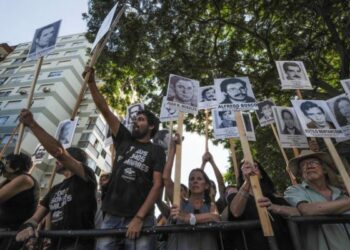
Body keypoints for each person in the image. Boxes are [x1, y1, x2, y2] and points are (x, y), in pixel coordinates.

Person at [83, 67, 166, 250]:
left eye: (141, 119)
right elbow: (104, 109)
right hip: (111, 216)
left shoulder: (157, 151)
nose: (135, 121)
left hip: (141, 218)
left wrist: (139, 218)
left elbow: (157, 185)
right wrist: (91, 83)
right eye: (135, 119)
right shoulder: (124, 139)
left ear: (151, 126)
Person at [16, 109, 97, 250]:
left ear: (74, 161)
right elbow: (36, 217)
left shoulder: (86, 178)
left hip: (78, 245)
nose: (56, 160)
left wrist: (32, 124)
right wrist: (28, 226)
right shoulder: (54, 190)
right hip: (55, 245)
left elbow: (59, 152)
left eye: (63, 159)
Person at [163, 134, 220, 250]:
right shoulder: (180, 204)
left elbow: (216, 218)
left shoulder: (211, 205)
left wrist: (189, 218)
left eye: (199, 179)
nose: (195, 182)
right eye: (191, 179)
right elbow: (166, 178)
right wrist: (173, 149)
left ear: (207, 185)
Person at [284, 150, 350, 250]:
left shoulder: (342, 194)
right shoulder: (294, 191)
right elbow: (307, 210)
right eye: (303, 165)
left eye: (313, 162)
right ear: (301, 174)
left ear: (324, 170)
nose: (309, 166)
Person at [227, 160, 298, 250]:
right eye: (247, 168)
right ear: (242, 175)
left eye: (255, 166)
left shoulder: (274, 197)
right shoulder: (235, 195)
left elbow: (298, 212)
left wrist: (276, 208)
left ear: (261, 174)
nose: (252, 169)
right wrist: (247, 182)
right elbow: (235, 211)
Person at [0, 153, 39, 249]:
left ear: (17, 167)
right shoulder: (7, 182)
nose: (3, 166)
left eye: (6, 163)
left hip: (11, 235)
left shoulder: (25, 179)